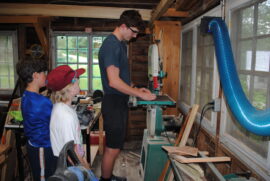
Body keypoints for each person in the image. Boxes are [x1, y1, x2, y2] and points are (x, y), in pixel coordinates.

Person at [98, 10, 156, 181]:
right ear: (123, 26)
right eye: (134, 31)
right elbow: (114, 82)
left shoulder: (121, 45)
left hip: (119, 101)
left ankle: (109, 176)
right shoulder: (111, 45)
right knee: (113, 148)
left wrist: (137, 88)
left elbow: (122, 78)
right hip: (113, 102)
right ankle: (105, 179)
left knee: (116, 146)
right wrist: (139, 94)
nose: (136, 36)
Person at [16, 59, 57, 181]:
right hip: (43, 147)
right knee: (45, 177)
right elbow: (56, 122)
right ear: (35, 75)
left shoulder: (26, 95)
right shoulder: (41, 102)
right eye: (44, 72)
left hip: (34, 145)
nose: (46, 75)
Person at [46, 65, 90, 169]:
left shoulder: (62, 107)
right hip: (70, 165)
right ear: (69, 87)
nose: (78, 80)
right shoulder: (66, 116)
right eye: (76, 80)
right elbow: (71, 152)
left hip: (69, 162)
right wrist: (86, 169)